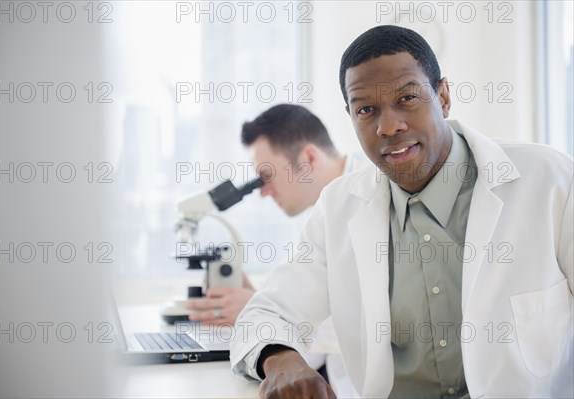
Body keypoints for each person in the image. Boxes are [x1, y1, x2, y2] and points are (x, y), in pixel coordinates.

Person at [230, 25, 573, 398]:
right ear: (351, 116)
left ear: (443, 97)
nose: (389, 126)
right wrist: (282, 360)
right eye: (366, 110)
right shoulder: (338, 209)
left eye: (407, 98)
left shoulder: (551, 182)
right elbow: (262, 315)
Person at [184, 104, 367, 397]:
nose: (263, 192)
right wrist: (262, 304)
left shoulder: (371, 194)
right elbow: (310, 303)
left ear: (308, 158)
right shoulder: (321, 215)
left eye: (266, 177)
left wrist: (257, 309)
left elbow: (368, 323)